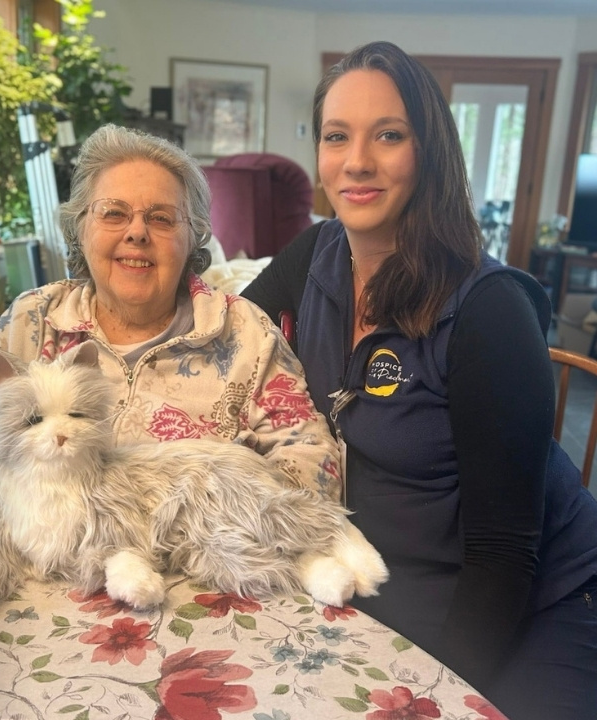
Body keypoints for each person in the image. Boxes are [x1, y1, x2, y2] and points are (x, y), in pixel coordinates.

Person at [241, 41, 597, 720]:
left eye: (389, 136)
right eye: (337, 136)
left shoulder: (488, 314)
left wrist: (430, 702)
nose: (358, 162)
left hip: (533, 601)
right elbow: (221, 336)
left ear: (428, 151)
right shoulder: (316, 252)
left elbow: (502, 557)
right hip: (381, 573)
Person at [0, 124, 340, 521]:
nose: (136, 232)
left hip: (198, 576)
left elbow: (315, 463)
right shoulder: (34, 321)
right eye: (113, 213)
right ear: (81, 228)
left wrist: (198, 519)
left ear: (192, 237)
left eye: (161, 218)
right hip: (36, 574)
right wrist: (17, 500)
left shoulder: (244, 333)